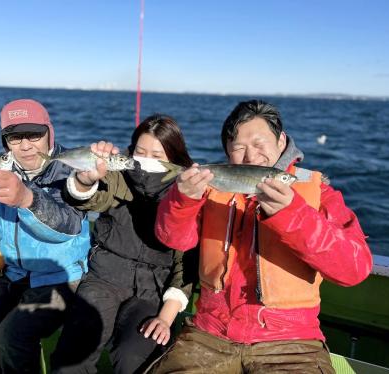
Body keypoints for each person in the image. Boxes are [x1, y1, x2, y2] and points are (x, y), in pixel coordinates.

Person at [150, 100, 373, 373]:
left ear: (281, 141)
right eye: (238, 148)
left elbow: (355, 268)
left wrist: (293, 215)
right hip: (209, 331)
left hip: (292, 342)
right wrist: (182, 200)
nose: (251, 157)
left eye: (259, 144)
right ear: (228, 153)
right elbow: (174, 239)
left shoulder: (317, 191)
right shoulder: (213, 187)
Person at [51, 114, 196, 374]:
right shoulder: (119, 172)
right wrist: (86, 180)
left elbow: (186, 260)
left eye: (157, 154)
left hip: (151, 289)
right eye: (140, 151)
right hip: (103, 276)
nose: (147, 160)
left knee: (134, 357)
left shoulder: (187, 189)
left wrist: (166, 317)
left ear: (174, 157)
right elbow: (90, 199)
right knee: (74, 352)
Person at [0, 99, 91, 374]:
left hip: (62, 278)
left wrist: (28, 199)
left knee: (11, 338)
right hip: (15, 273)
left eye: (34, 134)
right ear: (6, 142)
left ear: (49, 132)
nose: (26, 145)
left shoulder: (70, 169)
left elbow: (69, 225)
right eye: (15, 137)